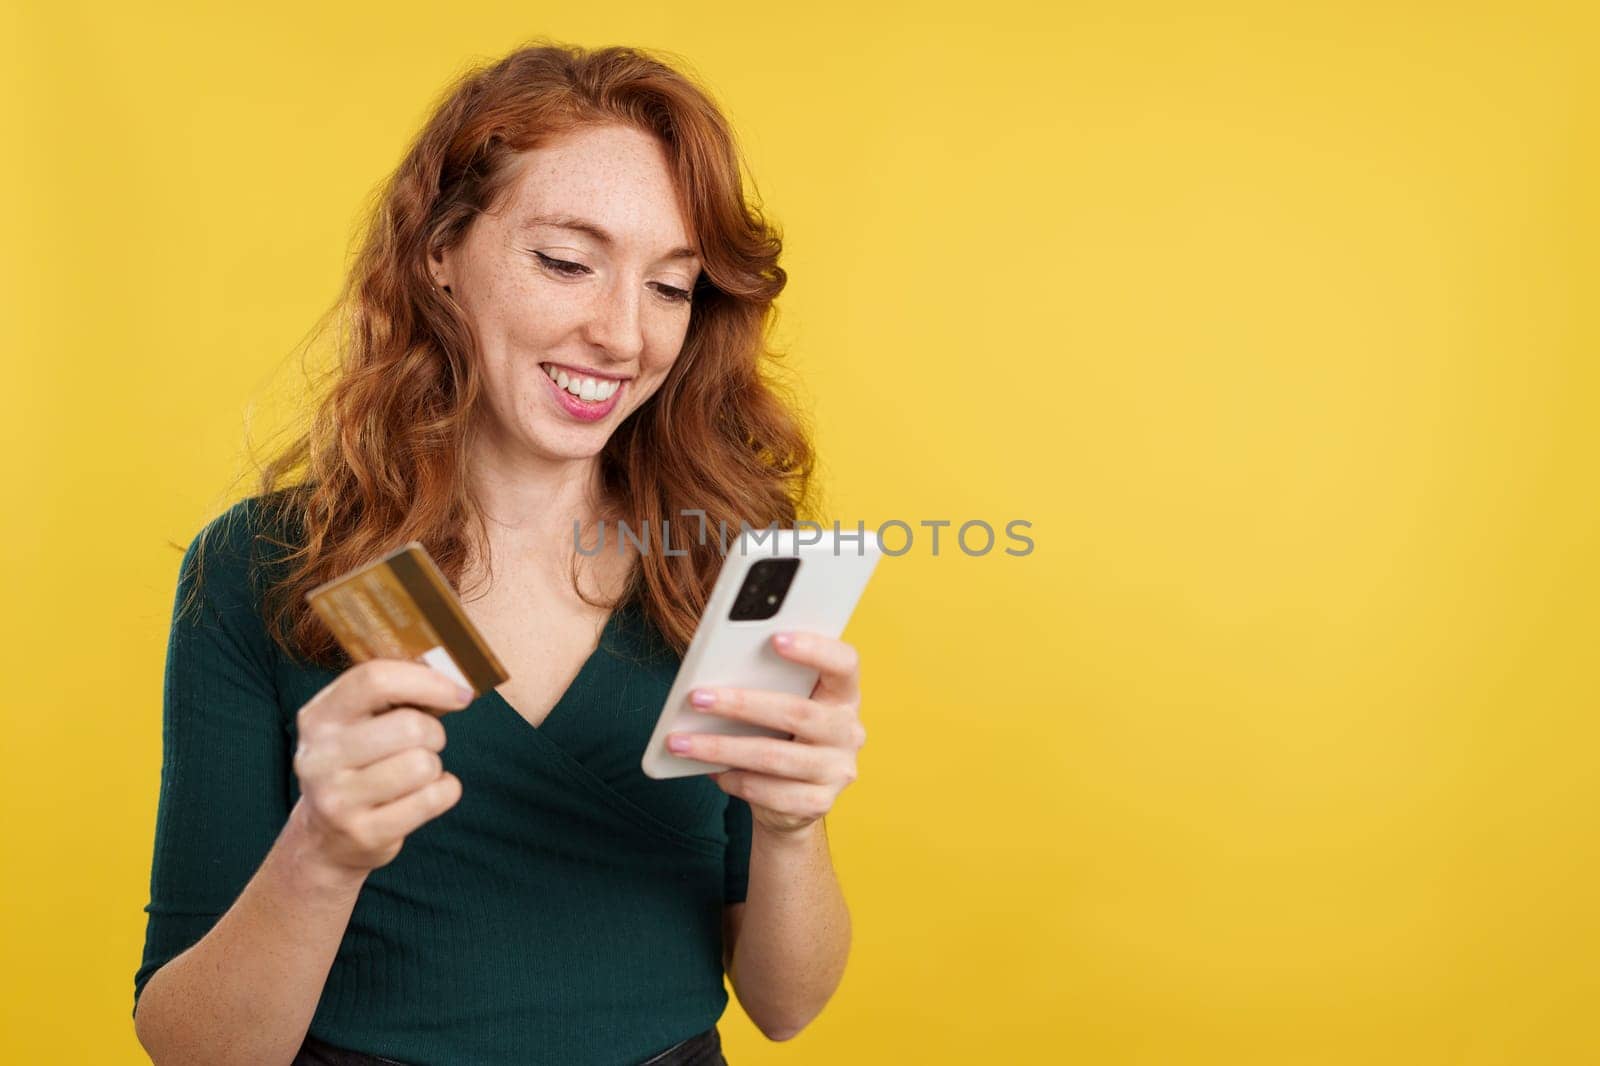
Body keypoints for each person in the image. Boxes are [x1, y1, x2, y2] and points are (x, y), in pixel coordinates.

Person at [131, 41, 867, 1066]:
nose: (623, 335)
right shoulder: (261, 567)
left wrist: (793, 827)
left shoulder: (716, 563)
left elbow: (786, 1005)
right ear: (439, 250)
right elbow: (192, 1048)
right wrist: (322, 853)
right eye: (565, 261)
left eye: (670, 286)